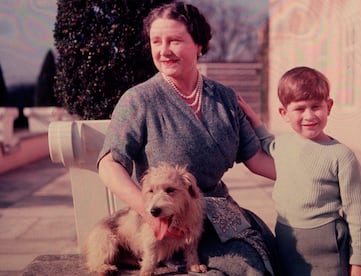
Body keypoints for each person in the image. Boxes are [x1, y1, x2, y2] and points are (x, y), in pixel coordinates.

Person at [97, 2, 277, 275]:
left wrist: (315, 172)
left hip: (218, 214)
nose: (163, 50)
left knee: (269, 256)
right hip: (166, 224)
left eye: (175, 40)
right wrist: (149, 212)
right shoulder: (138, 100)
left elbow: (258, 161)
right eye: (156, 41)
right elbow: (110, 165)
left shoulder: (225, 98)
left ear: (200, 45)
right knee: (243, 268)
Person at [238, 66, 361, 276]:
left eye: (316, 106)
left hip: (328, 246)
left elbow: (357, 213)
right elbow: (266, 142)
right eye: (299, 109)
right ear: (284, 113)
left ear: (329, 106)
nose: (309, 115)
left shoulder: (342, 156)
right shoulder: (283, 145)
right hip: (287, 237)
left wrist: (360, 262)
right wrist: (255, 120)